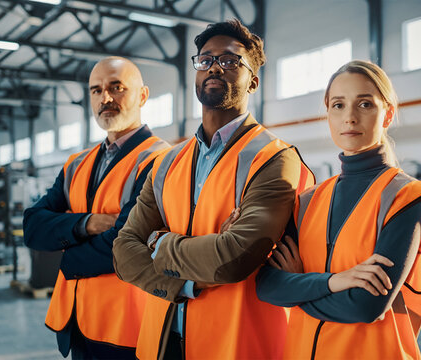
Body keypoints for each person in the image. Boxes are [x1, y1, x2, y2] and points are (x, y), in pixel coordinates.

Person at [112, 19, 314, 360]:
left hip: (234, 344)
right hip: (162, 341)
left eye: (231, 60)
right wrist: (189, 282)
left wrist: (159, 242)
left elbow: (234, 258)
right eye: (205, 60)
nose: (215, 67)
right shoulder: (166, 162)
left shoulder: (275, 159)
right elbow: (123, 252)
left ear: (253, 80)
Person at [256, 60, 421, 360]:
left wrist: (299, 286)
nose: (349, 117)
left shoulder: (406, 198)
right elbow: (267, 286)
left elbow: (366, 306)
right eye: (338, 105)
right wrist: (334, 282)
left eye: (364, 104)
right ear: (328, 113)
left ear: (387, 114)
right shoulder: (308, 201)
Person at [23, 56, 169, 359]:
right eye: (96, 90)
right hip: (76, 322)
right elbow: (32, 225)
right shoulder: (76, 164)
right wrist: (85, 224)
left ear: (142, 95)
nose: (105, 98)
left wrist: (66, 259)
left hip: (126, 325)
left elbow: (127, 243)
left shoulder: (160, 160)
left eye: (117, 88)